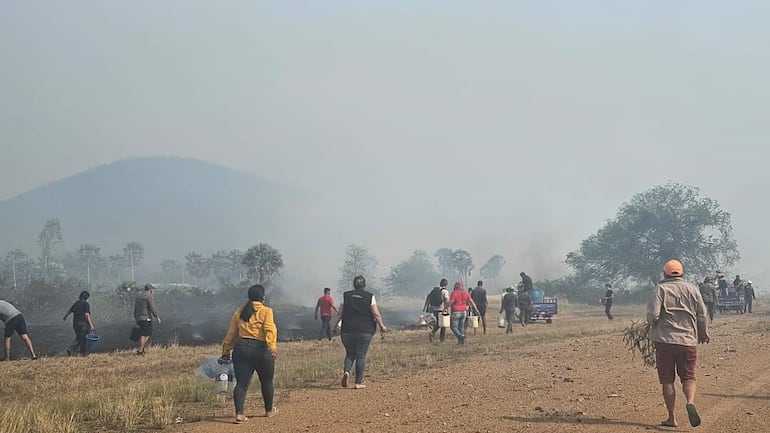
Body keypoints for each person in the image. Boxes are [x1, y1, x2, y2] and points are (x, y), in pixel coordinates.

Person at [647, 259, 709, 428]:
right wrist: (703, 334)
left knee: (667, 380)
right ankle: (690, 401)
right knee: (689, 377)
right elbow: (702, 315)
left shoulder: (661, 289)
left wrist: (652, 324)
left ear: (664, 274)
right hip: (688, 341)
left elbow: (653, 316)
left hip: (664, 341)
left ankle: (672, 418)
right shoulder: (693, 289)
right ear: (682, 273)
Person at [220, 284, 278, 423]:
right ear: (262, 297)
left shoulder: (239, 312)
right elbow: (270, 329)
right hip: (261, 349)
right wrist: (272, 346)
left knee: (241, 384)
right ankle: (269, 411)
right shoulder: (266, 311)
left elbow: (232, 333)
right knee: (267, 381)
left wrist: (226, 350)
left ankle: (239, 414)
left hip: (241, 349)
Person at [336, 275, 387, 389]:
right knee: (361, 355)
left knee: (350, 353)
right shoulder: (370, 296)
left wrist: (334, 326)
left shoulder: (346, 296)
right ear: (364, 285)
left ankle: (347, 371)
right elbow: (376, 314)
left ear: (354, 285)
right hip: (365, 331)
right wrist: (382, 326)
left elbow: (340, 313)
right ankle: (358, 382)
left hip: (347, 331)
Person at [63, 291, 96, 356]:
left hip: (75, 324)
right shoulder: (86, 304)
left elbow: (70, 311)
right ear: (86, 297)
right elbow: (86, 315)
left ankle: (73, 350)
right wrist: (91, 325)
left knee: (79, 338)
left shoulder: (76, 303)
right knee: (83, 339)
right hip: (83, 324)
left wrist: (65, 316)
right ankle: (80, 352)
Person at [133, 283, 161, 356]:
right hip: (146, 318)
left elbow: (135, 308)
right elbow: (152, 307)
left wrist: (136, 318)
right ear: (150, 289)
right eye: (153, 289)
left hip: (139, 318)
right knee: (144, 334)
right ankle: (140, 351)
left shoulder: (138, 296)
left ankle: (141, 349)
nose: (153, 291)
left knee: (147, 333)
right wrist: (157, 316)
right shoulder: (149, 296)